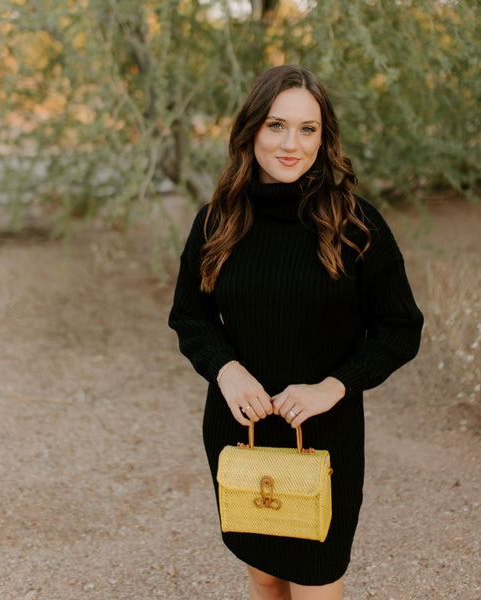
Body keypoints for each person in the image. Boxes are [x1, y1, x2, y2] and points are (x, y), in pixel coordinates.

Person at [168, 65, 423, 600]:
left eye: (308, 129)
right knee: (262, 574)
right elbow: (190, 316)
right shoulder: (216, 221)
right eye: (276, 126)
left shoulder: (356, 225)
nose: (291, 144)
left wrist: (332, 387)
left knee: (314, 581)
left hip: (323, 438)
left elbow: (400, 328)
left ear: (324, 138)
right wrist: (226, 371)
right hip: (239, 428)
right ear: (250, 132)